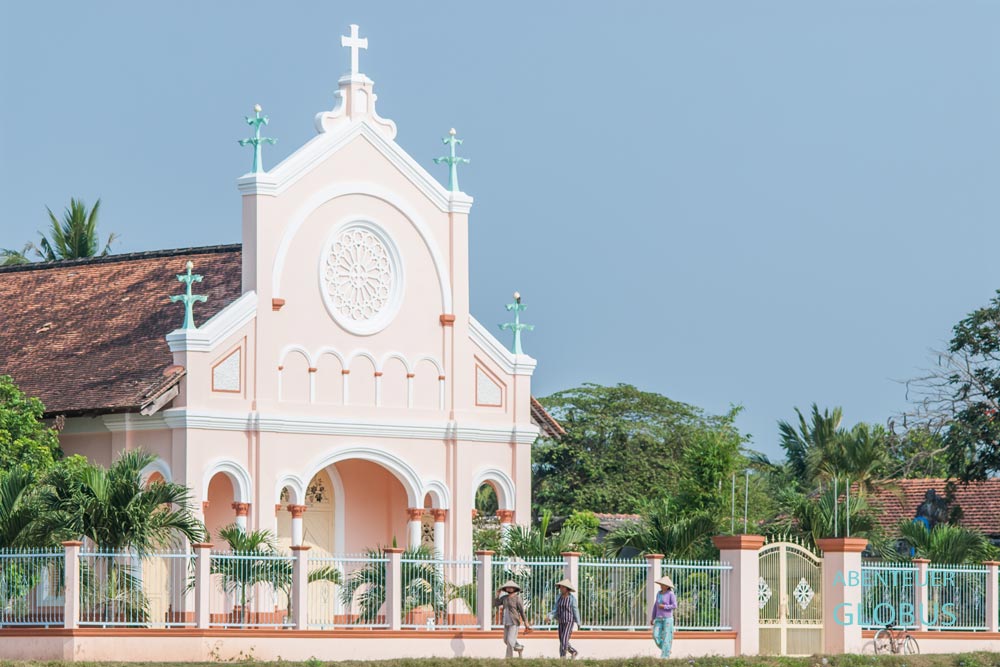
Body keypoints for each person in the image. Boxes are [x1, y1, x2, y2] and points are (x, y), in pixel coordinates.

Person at [495, 580, 531, 658]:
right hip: (506, 621)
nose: (509, 588)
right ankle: (519, 648)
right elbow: (496, 603)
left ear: (514, 589)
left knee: (510, 641)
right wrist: (497, 595)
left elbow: (521, 611)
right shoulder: (504, 598)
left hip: (514, 622)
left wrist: (526, 622)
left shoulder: (517, 598)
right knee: (506, 640)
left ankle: (508, 659)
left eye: (511, 587)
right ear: (506, 589)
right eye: (508, 587)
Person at [548, 578, 581, 659]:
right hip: (561, 621)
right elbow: (555, 609)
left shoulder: (572, 599)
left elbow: (575, 610)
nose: (561, 588)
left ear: (567, 589)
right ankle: (573, 651)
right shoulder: (559, 597)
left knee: (564, 640)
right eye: (560, 587)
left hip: (569, 621)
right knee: (562, 640)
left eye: (563, 587)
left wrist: (578, 622)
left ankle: (562, 657)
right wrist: (550, 617)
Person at [650, 575, 677, 658]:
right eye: (660, 584)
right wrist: (653, 617)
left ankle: (665, 656)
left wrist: (665, 607)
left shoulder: (671, 594)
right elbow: (656, 606)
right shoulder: (658, 593)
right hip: (658, 618)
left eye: (662, 584)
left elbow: (674, 605)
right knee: (655, 635)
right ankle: (667, 650)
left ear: (667, 586)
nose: (661, 586)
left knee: (666, 638)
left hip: (667, 619)